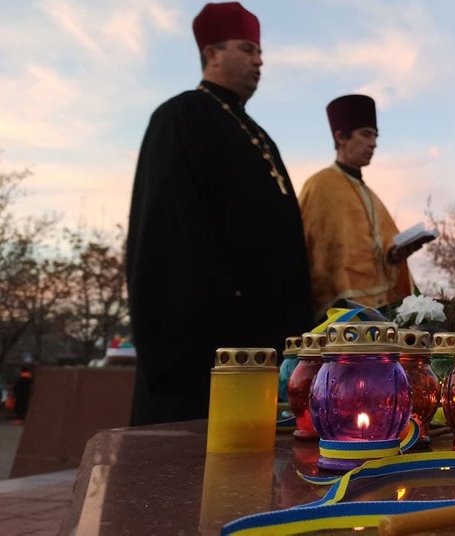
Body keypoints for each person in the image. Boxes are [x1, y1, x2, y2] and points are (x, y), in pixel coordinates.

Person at [126, 2, 313, 425]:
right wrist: (229, 305)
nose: (259, 60)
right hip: (211, 349)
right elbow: (168, 232)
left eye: (259, 51)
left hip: (268, 343)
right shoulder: (179, 118)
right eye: (247, 49)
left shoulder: (258, 134)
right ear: (211, 53)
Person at [298, 95, 427, 315]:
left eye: (375, 136)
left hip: (383, 310)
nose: (373, 143)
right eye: (366, 134)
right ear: (341, 137)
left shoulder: (370, 195)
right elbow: (309, 251)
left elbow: (382, 246)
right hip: (339, 312)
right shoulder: (319, 186)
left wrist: (394, 253)